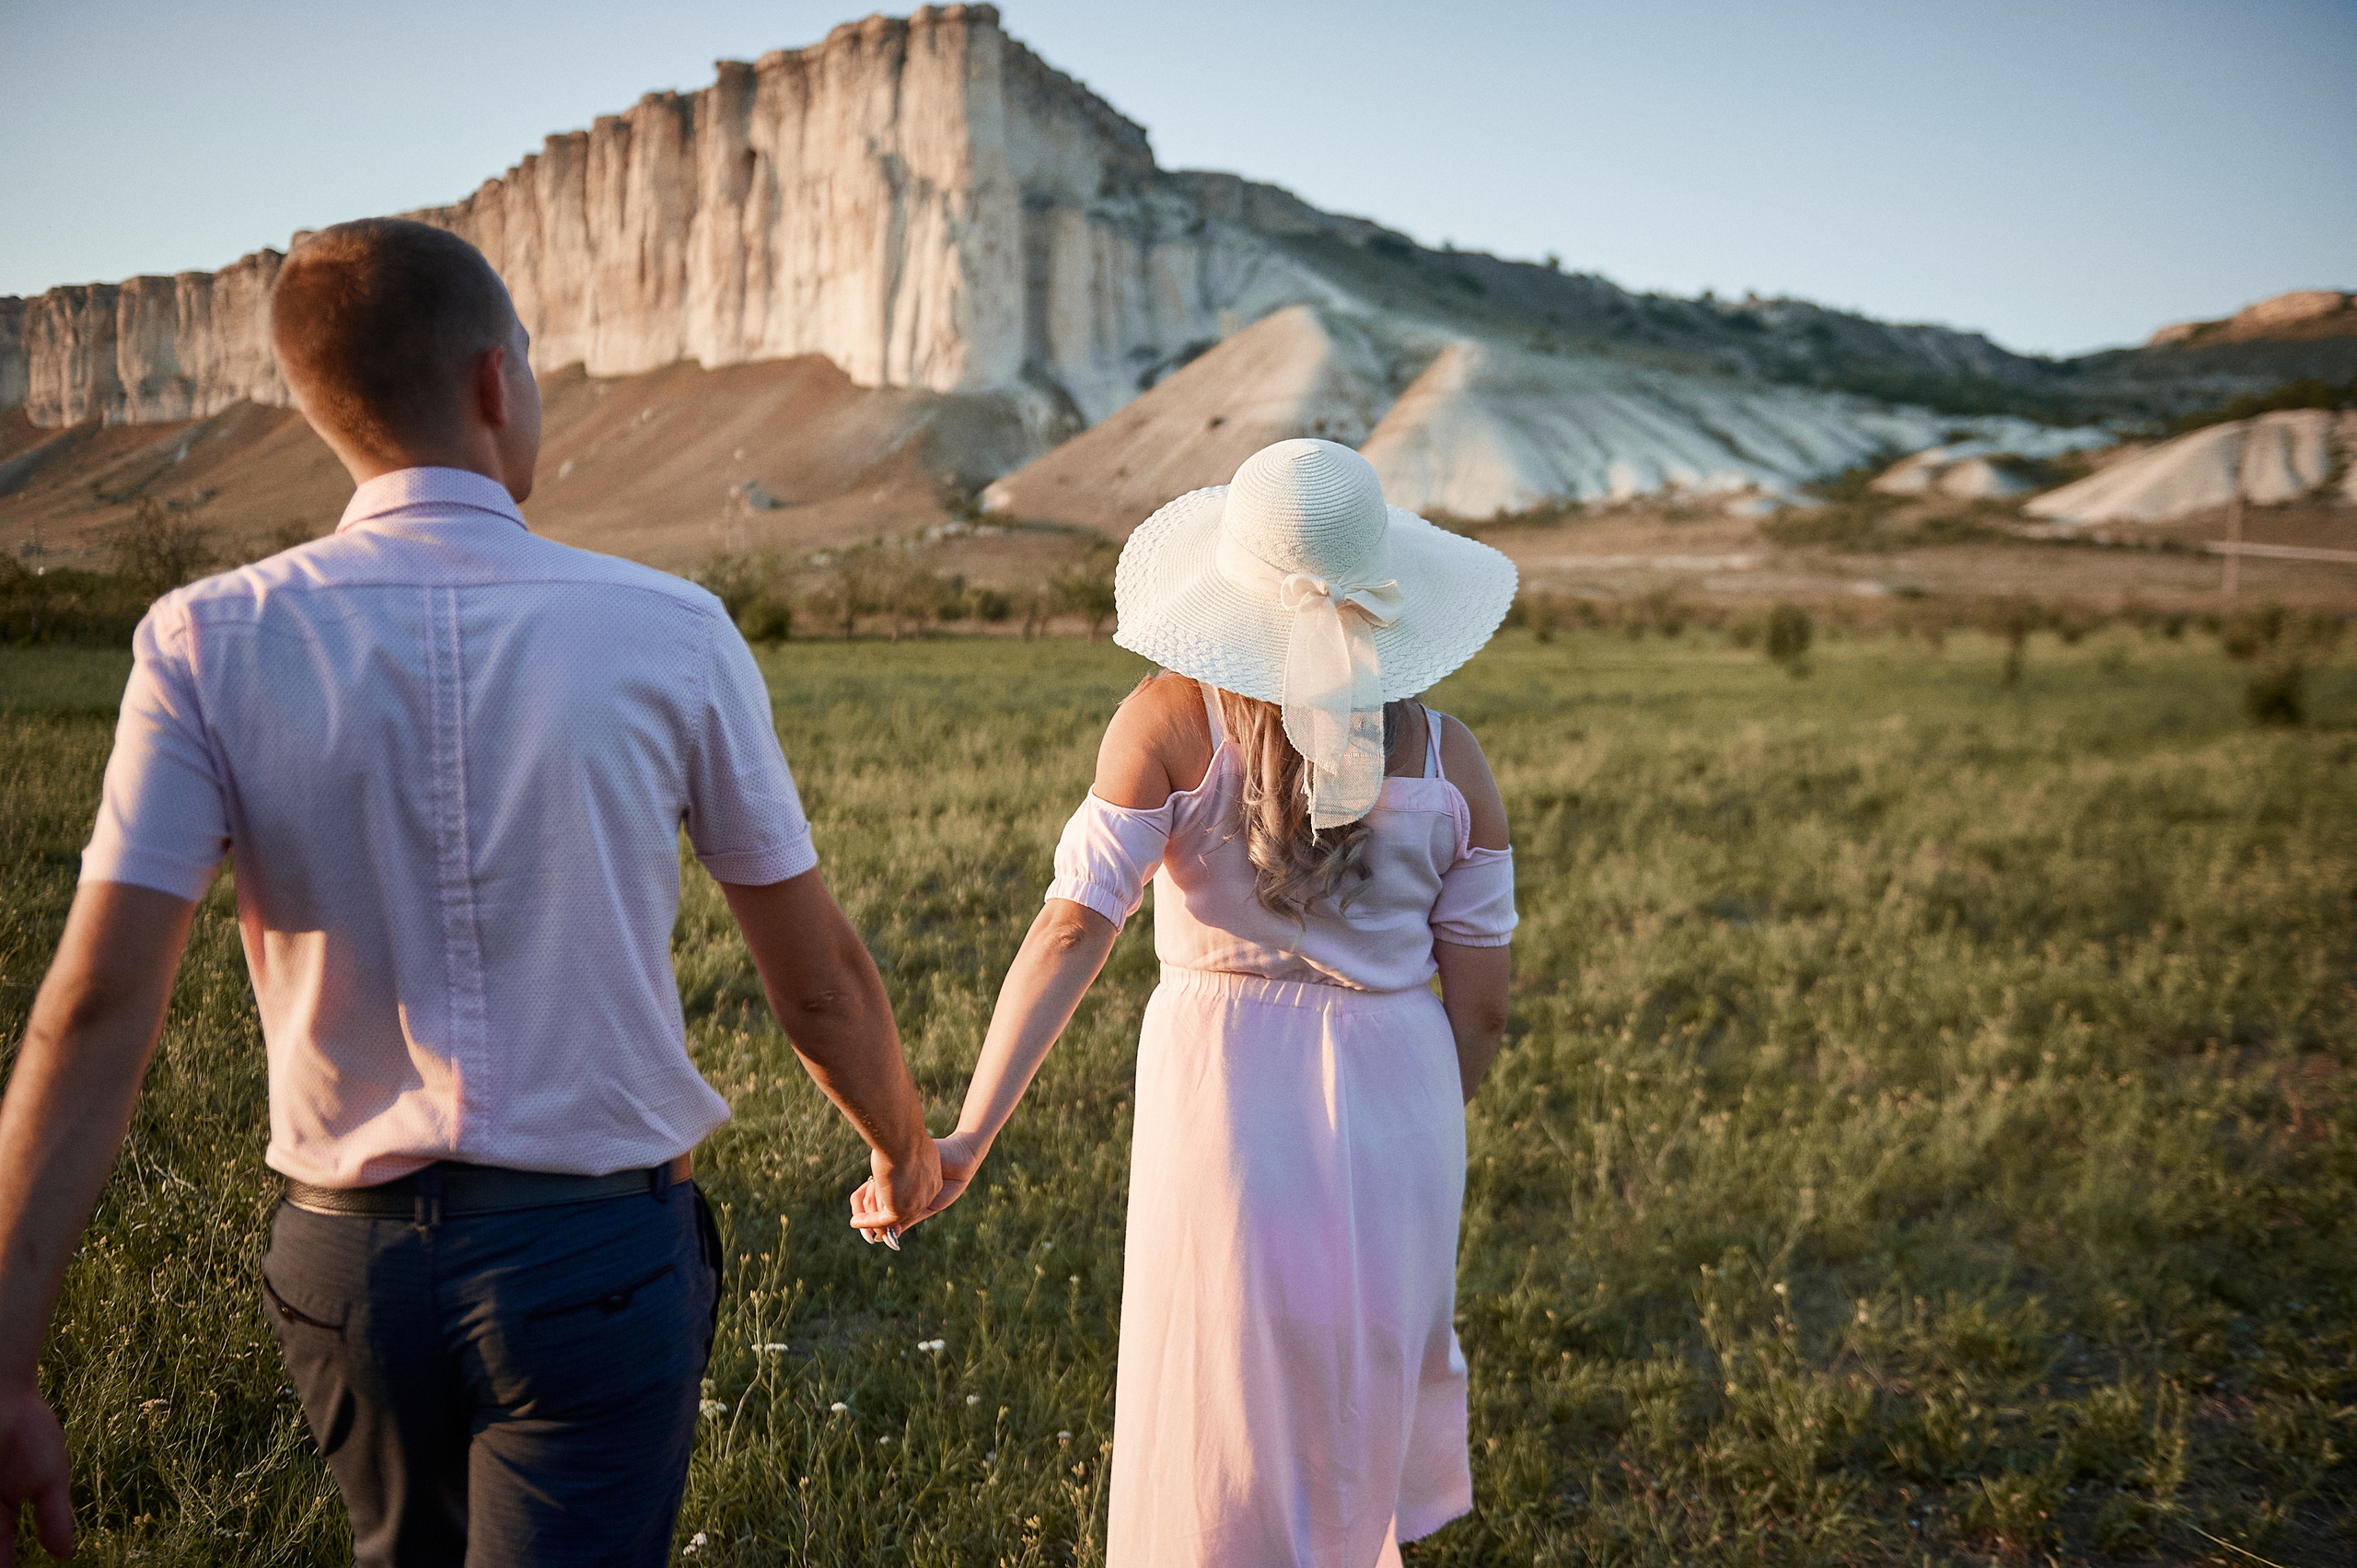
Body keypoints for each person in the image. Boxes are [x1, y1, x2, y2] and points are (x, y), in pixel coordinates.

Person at [0, 218, 940, 1567]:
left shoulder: (205, 637)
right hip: (596, 1252)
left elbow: (91, 1008)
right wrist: (901, 1146)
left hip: (346, 1267)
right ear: (499, 382)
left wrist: (8, 1364)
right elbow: (816, 976)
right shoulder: (672, 627)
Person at [855, 438, 1519, 1566]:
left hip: (1225, 1084)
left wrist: (967, 1131)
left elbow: (1073, 924)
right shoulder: (1454, 759)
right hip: (1403, 1090)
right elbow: (1485, 1005)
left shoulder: (1168, 720)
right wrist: (1422, 1110)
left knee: (1219, 1369)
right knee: (1351, 1367)